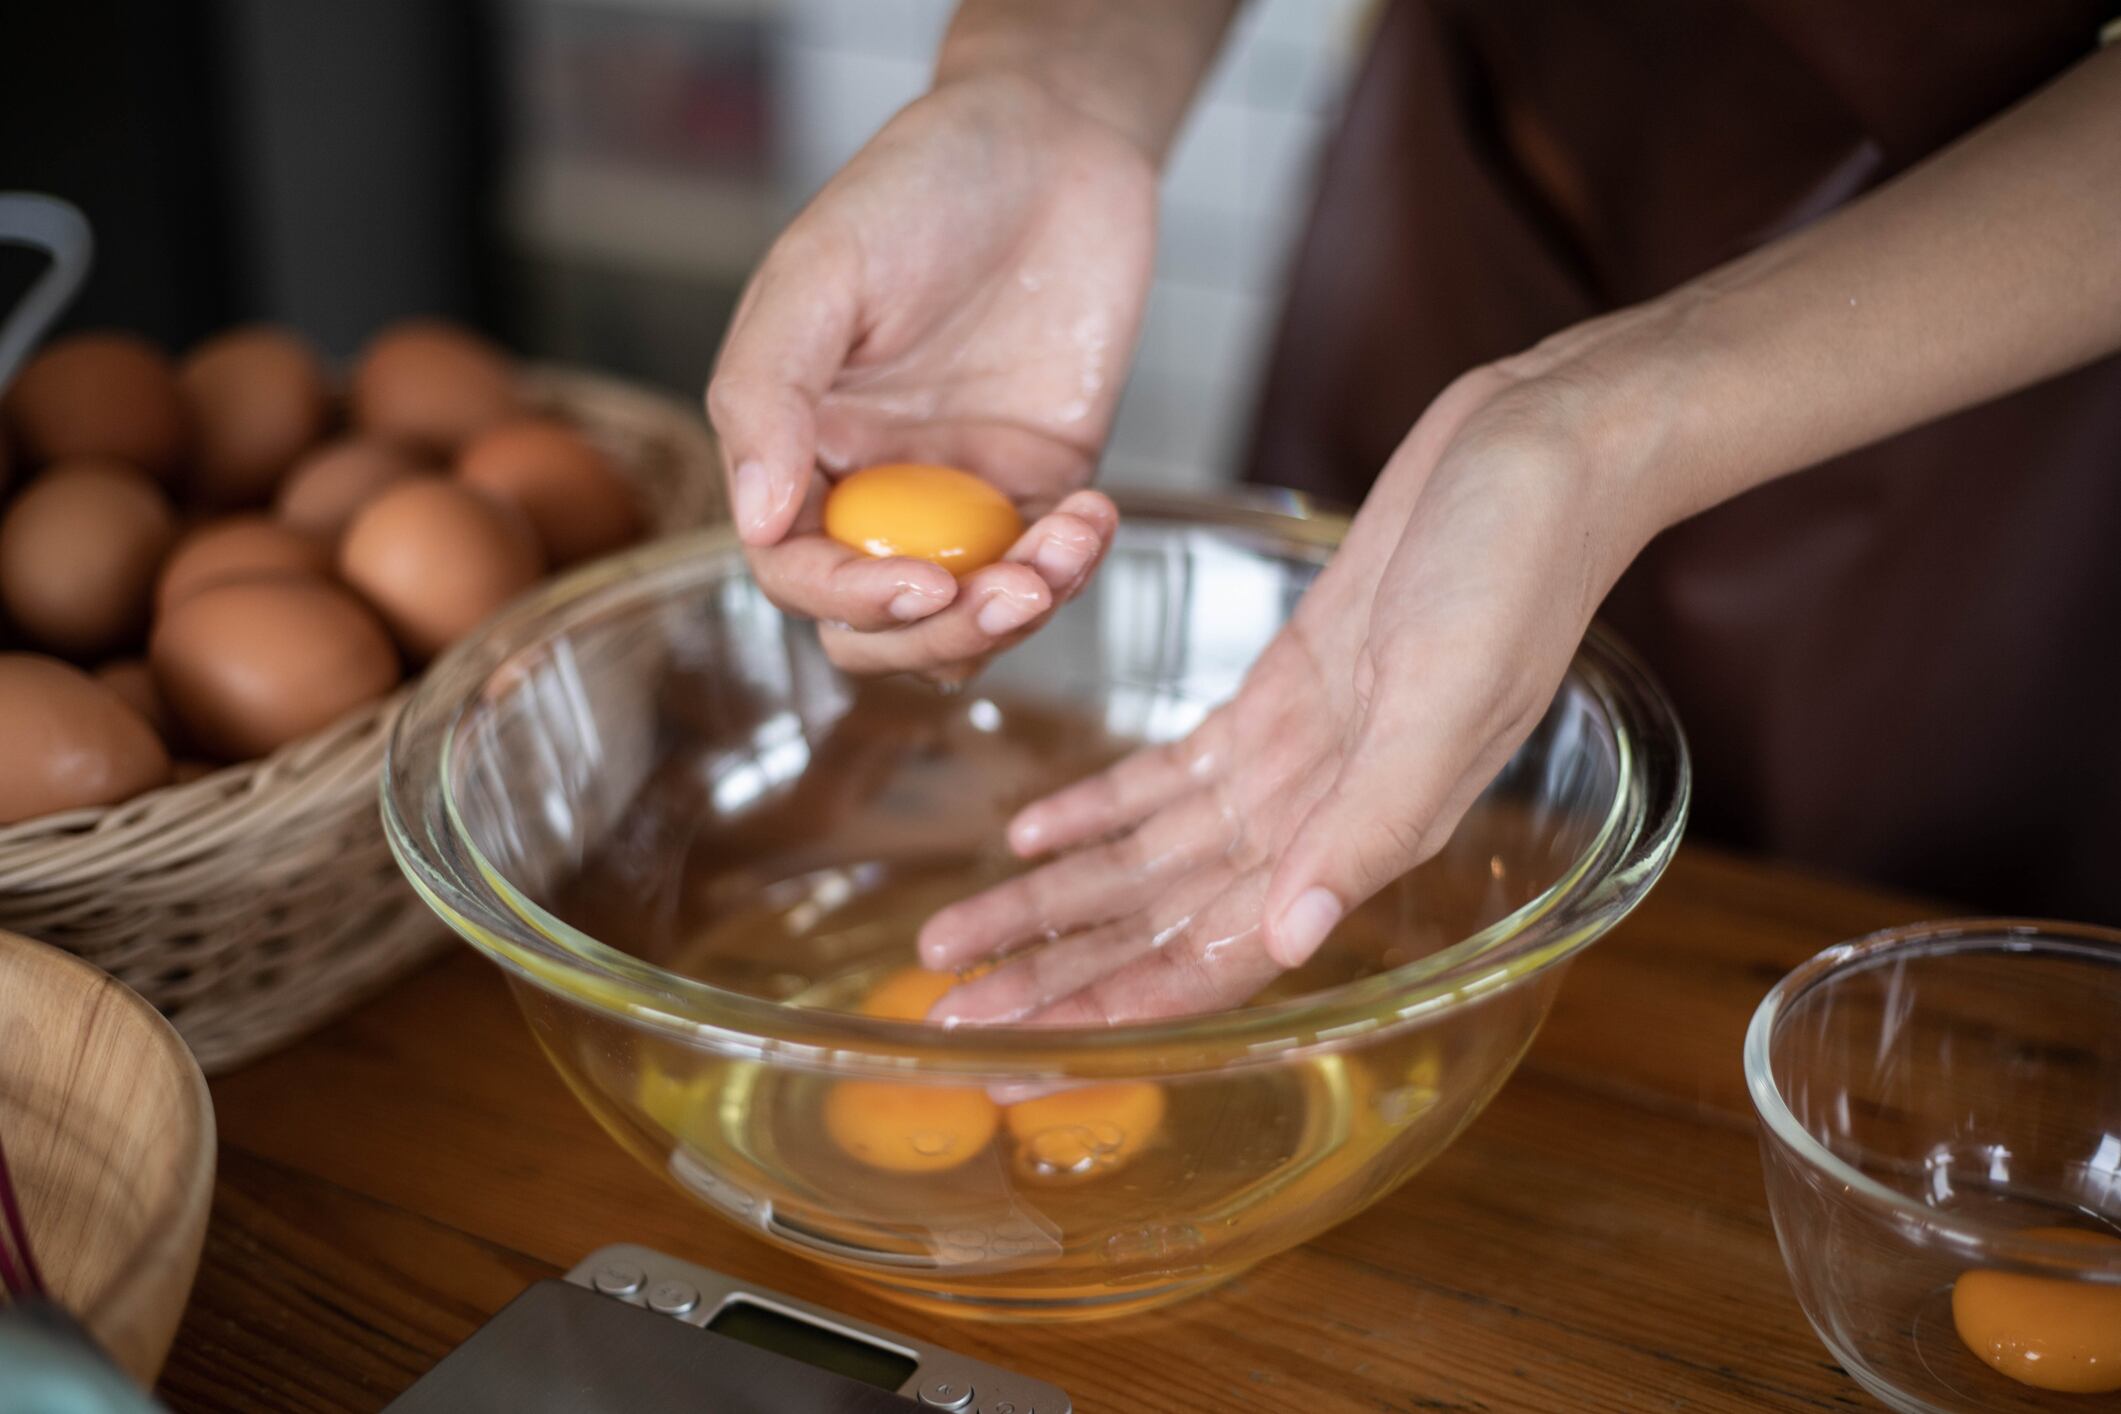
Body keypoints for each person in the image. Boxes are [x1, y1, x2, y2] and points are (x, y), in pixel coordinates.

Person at [706, 1, 2121, 1026]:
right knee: (1371, 857)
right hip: (1484, 185)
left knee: (1902, 1016)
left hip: (2004, 323)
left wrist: (1615, 412)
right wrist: (1046, 82)